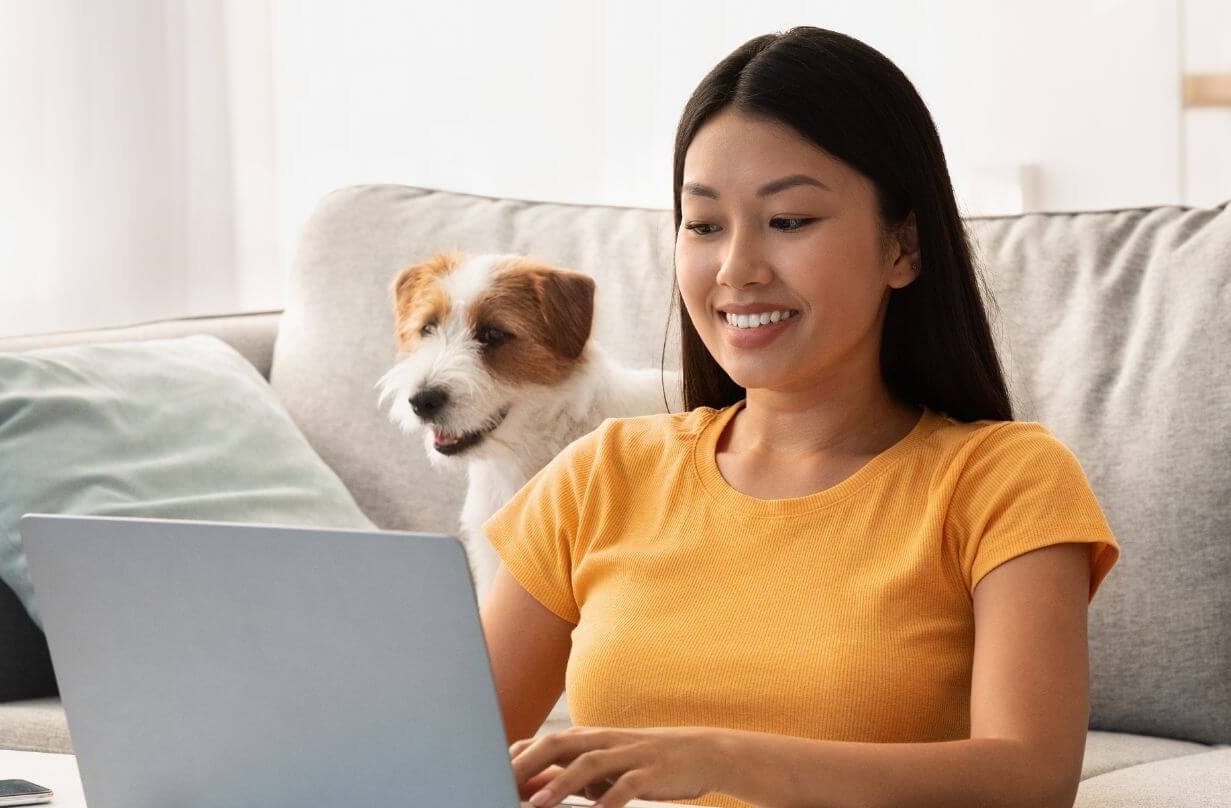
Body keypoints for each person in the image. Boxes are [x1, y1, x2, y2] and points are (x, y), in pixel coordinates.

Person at [479, 25, 1120, 808]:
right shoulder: (602, 474)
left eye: (789, 221)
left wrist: (723, 761)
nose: (737, 269)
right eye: (704, 225)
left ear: (904, 246)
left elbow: (1030, 780)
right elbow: (441, 752)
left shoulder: (1003, 479)